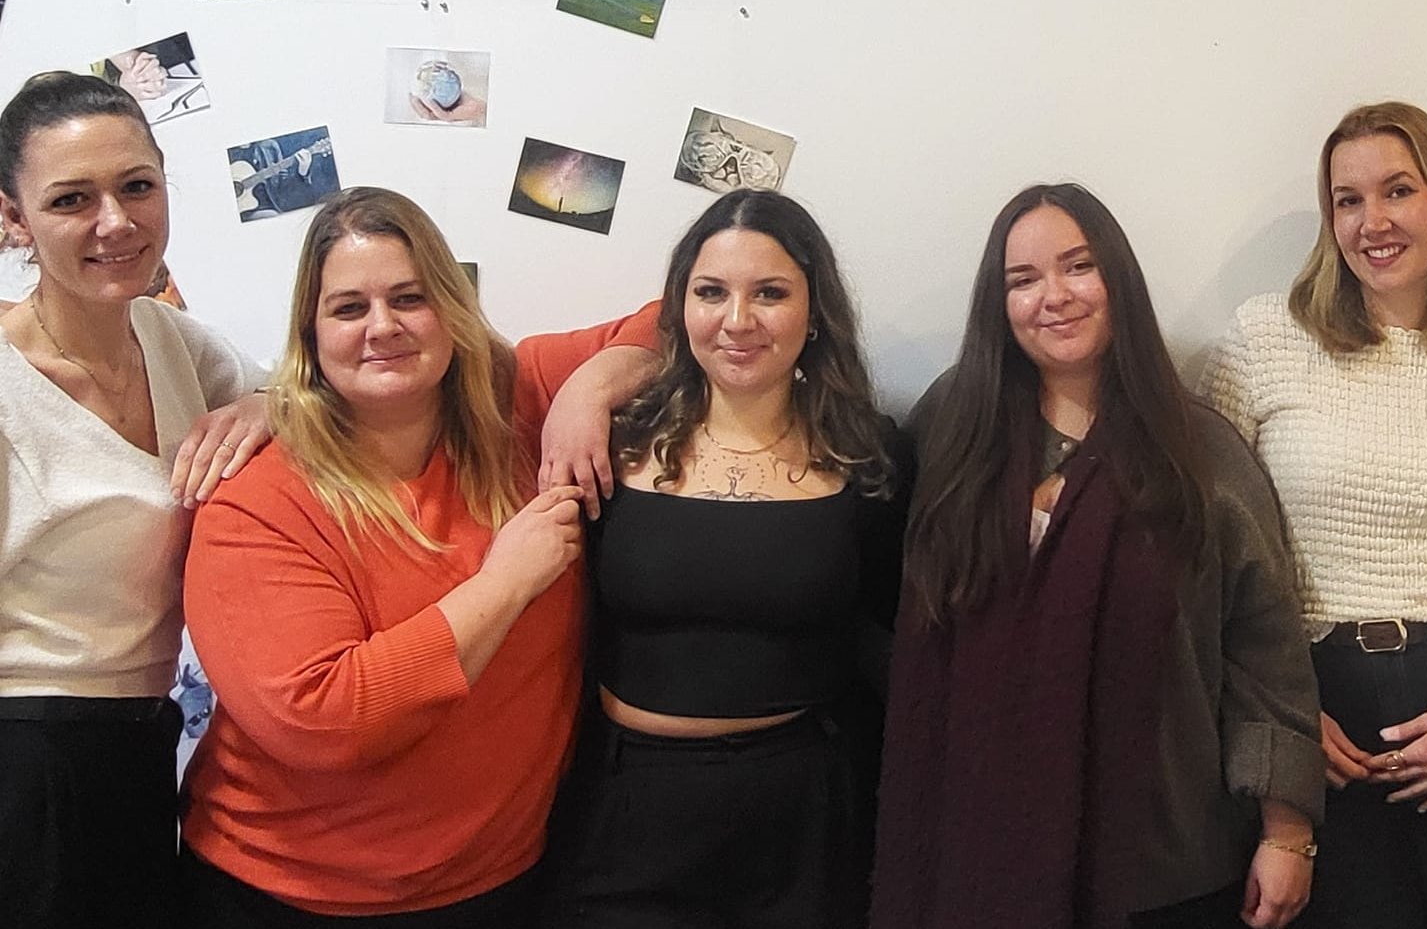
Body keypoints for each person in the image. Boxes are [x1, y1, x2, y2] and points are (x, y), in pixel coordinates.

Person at [179, 186, 655, 926]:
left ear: (451, 307)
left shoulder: (517, 400)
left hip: (502, 883)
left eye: (410, 298)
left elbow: (681, 324)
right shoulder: (256, 499)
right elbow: (327, 719)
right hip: (288, 894)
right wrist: (507, 582)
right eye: (349, 308)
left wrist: (588, 389)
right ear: (310, 333)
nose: (383, 327)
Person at [873, 183, 1323, 929]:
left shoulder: (1199, 453)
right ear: (998, 303)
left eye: (1079, 267)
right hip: (970, 833)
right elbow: (880, 587)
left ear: (1119, 279)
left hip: (1153, 854)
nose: (1054, 296)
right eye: (1023, 280)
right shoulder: (952, 426)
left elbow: (1264, 649)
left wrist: (1288, 830)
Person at [1202, 101, 1427, 927]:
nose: (1373, 222)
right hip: (1311, 710)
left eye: (1398, 190)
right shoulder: (1262, 341)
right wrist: (1282, 722)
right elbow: (1213, 563)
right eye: (1348, 199)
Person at [544, 188, 910, 928]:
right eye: (711, 292)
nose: (737, 320)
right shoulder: (613, 442)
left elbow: (895, 631)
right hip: (627, 806)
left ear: (815, 310)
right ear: (681, 307)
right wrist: (587, 385)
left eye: (770, 293)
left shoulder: (869, 454)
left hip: (802, 813)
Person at [0, 70, 267, 928]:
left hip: (142, 741)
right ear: (14, 219)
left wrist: (266, 407)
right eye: (72, 199)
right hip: (28, 762)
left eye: (137, 187)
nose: (116, 222)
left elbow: (304, 394)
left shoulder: (169, 336)